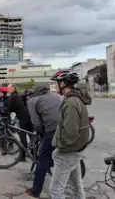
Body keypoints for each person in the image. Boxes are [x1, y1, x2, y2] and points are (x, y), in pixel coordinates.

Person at [48, 70, 91, 199]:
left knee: (55, 190)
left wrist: (61, 149)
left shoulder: (71, 102)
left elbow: (70, 131)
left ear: (63, 84)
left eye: (56, 83)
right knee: (77, 187)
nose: (55, 87)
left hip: (68, 152)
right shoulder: (75, 99)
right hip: (75, 150)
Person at [23, 86, 61, 198]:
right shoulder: (55, 96)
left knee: (42, 159)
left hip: (52, 129)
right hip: (66, 128)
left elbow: (36, 123)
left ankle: (35, 192)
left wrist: (43, 133)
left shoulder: (32, 101)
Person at [3, 84, 33, 162]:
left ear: (13, 88)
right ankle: (33, 153)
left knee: (23, 137)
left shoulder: (14, 96)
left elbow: (11, 108)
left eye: (8, 88)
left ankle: (22, 156)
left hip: (23, 118)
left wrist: (3, 110)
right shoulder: (18, 95)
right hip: (29, 116)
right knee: (31, 135)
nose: (7, 90)